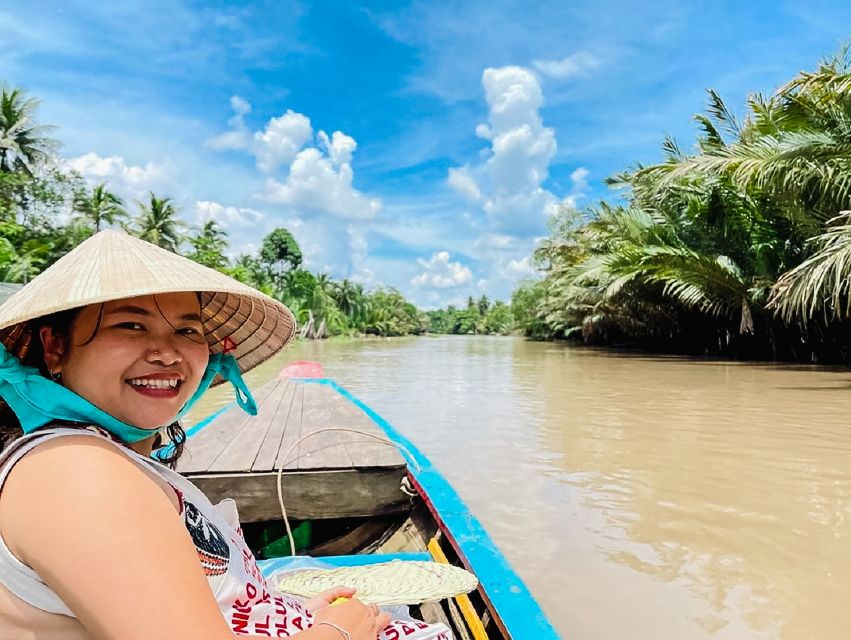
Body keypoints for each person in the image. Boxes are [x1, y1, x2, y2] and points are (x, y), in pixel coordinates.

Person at [0, 230, 451, 640]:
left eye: (187, 331)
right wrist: (339, 629)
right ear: (55, 347)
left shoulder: (106, 459)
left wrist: (282, 614)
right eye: (130, 325)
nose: (167, 352)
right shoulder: (75, 472)